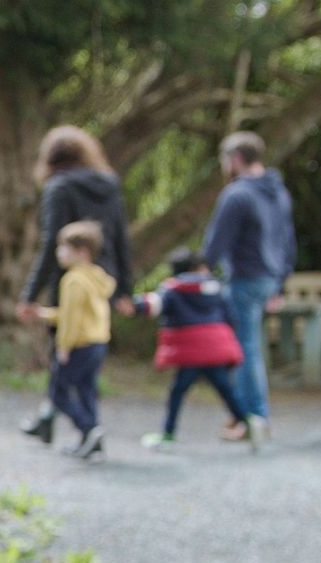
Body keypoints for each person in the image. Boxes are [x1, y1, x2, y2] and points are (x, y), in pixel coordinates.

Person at [15, 125, 133, 443]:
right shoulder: (109, 185)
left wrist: (29, 295)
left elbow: (51, 244)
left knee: (66, 356)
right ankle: (50, 418)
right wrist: (125, 290)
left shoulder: (59, 188)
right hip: (103, 280)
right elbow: (121, 238)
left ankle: (84, 426)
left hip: (70, 283)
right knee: (86, 359)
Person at [202, 130, 296, 441]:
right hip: (268, 279)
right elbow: (287, 241)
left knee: (243, 351)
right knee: (247, 348)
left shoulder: (237, 194)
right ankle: (243, 415)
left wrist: (200, 272)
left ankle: (253, 418)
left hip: (243, 279)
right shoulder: (278, 191)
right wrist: (281, 284)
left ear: (236, 159)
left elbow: (215, 243)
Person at [131, 248, 263, 452]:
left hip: (191, 351)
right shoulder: (215, 287)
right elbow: (231, 317)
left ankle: (168, 432)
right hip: (215, 347)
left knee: (178, 391)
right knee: (225, 389)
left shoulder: (173, 288)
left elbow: (155, 304)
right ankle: (247, 420)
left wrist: (134, 306)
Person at [35, 220, 112, 461]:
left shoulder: (73, 280)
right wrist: (43, 313)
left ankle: (89, 430)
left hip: (78, 344)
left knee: (58, 392)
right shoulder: (96, 277)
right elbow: (71, 313)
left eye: (64, 248)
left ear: (82, 252)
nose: (59, 253)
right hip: (97, 342)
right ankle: (91, 444)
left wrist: (63, 347)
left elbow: (72, 319)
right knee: (86, 390)